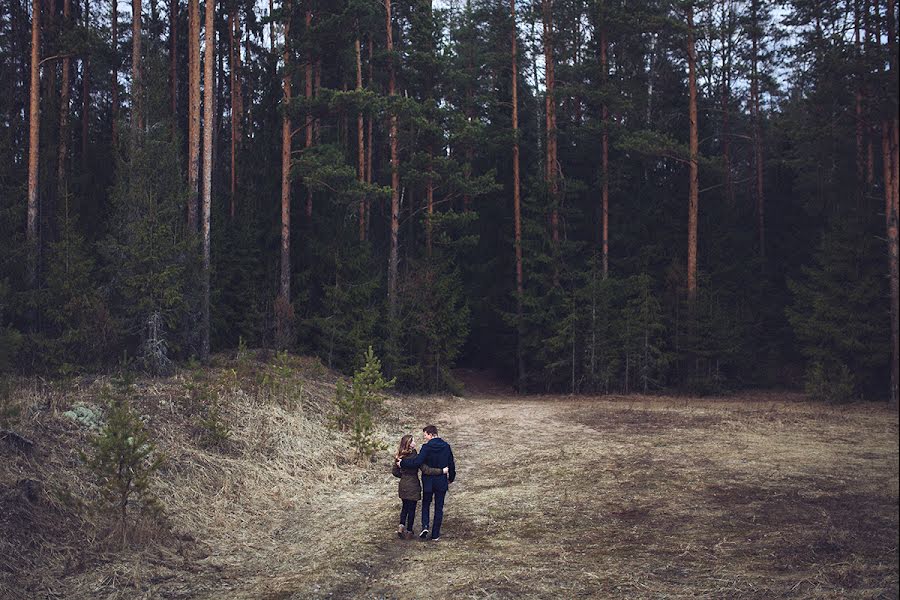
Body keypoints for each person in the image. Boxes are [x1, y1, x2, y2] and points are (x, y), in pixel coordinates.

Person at [398, 424, 456, 541]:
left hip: (428, 481)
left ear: (430, 434)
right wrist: (451, 477)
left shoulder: (426, 448)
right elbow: (451, 463)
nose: (424, 438)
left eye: (425, 435)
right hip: (441, 481)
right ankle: (435, 534)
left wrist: (402, 463)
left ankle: (425, 526)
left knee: (426, 504)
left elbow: (417, 462)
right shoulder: (446, 446)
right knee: (439, 507)